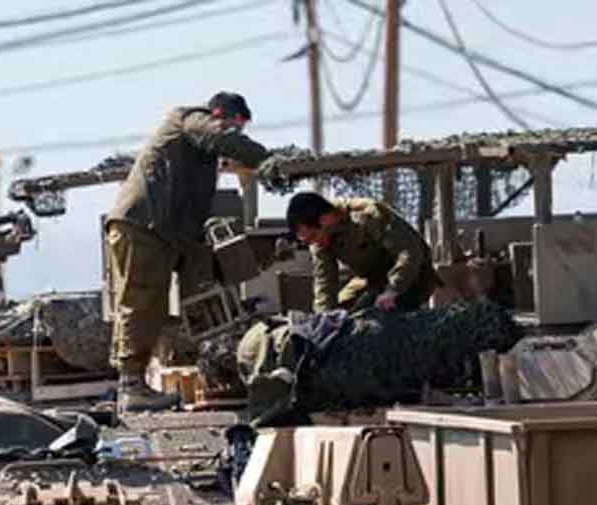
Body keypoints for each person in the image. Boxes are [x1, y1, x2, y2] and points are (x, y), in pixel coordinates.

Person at [106, 91, 278, 413]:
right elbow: (218, 136)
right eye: (234, 126)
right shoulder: (189, 118)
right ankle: (131, 387)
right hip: (144, 224)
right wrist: (265, 158)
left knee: (187, 295)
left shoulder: (199, 153)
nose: (235, 134)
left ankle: (152, 377)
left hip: (165, 231)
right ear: (218, 115)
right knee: (142, 301)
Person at [285, 192, 441, 314]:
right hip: (373, 280)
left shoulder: (367, 214)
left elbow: (409, 253)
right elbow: (324, 281)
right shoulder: (319, 239)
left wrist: (392, 290)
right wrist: (324, 315)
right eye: (307, 241)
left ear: (325, 219)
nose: (313, 243)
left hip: (413, 276)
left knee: (376, 317)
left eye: (313, 236)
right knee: (342, 313)